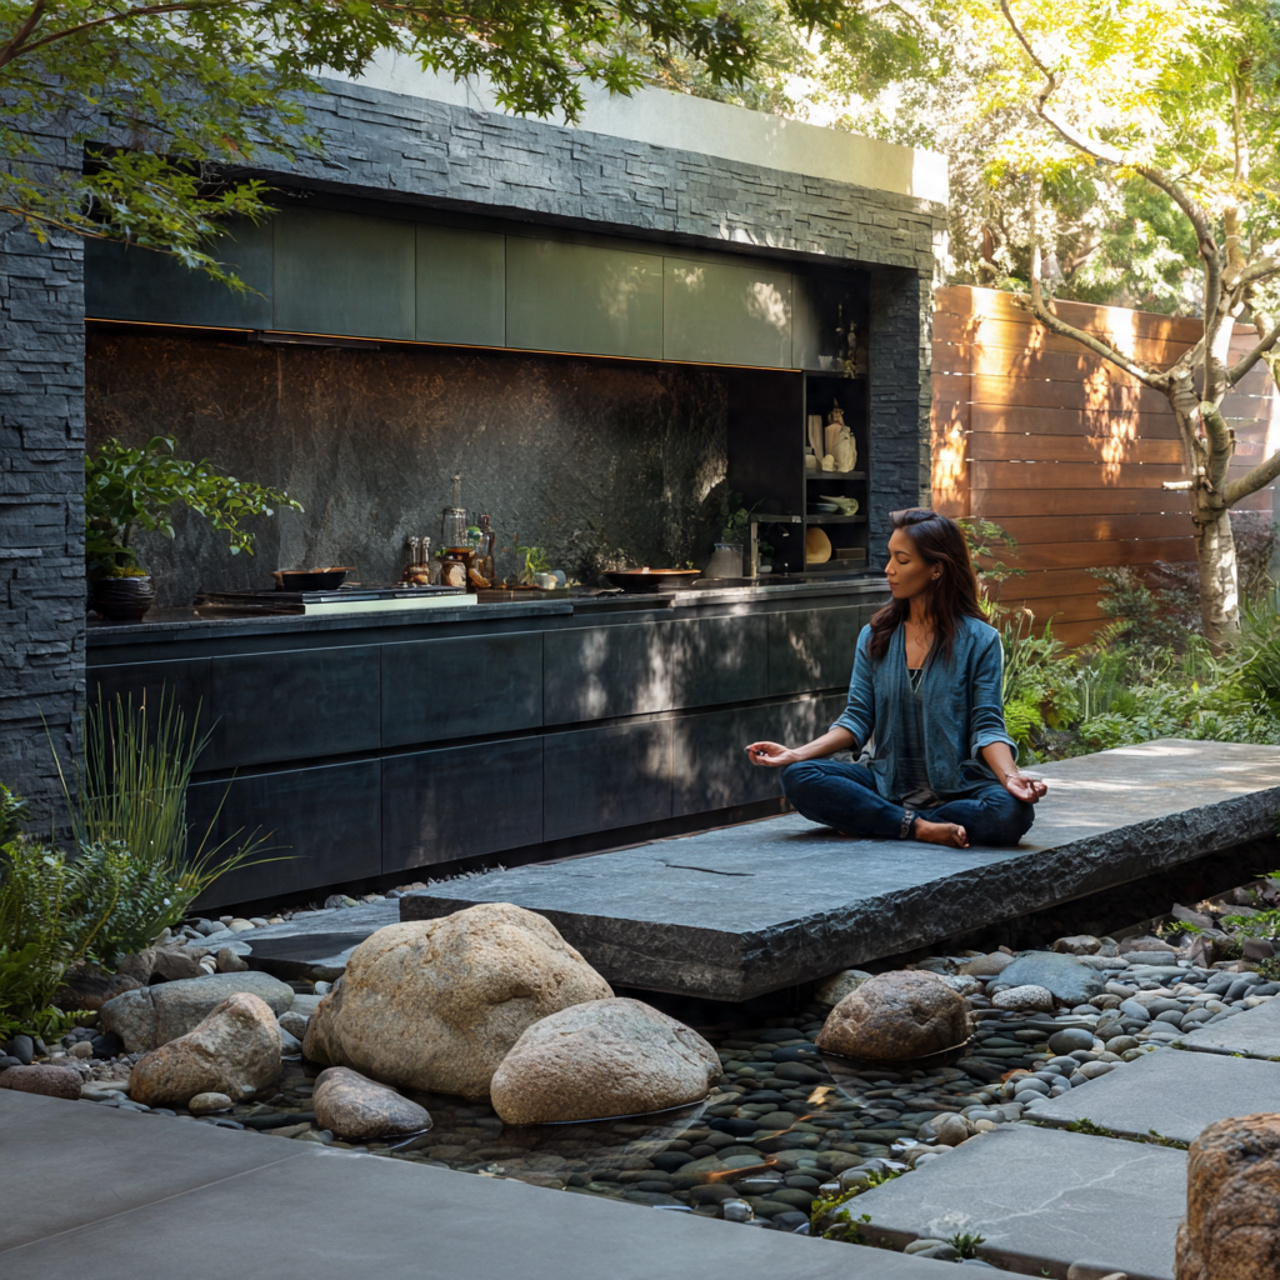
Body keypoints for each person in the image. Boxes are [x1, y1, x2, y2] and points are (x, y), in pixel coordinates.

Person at [745, 507, 1046, 848]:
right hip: (885, 783)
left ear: (937, 569)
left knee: (1012, 812)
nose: (889, 569)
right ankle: (919, 828)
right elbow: (857, 719)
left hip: (958, 788)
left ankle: (879, 819)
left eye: (901, 560)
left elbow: (987, 725)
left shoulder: (981, 640)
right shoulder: (875, 636)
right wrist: (797, 754)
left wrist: (1011, 777)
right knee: (797, 776)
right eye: (890, 557)